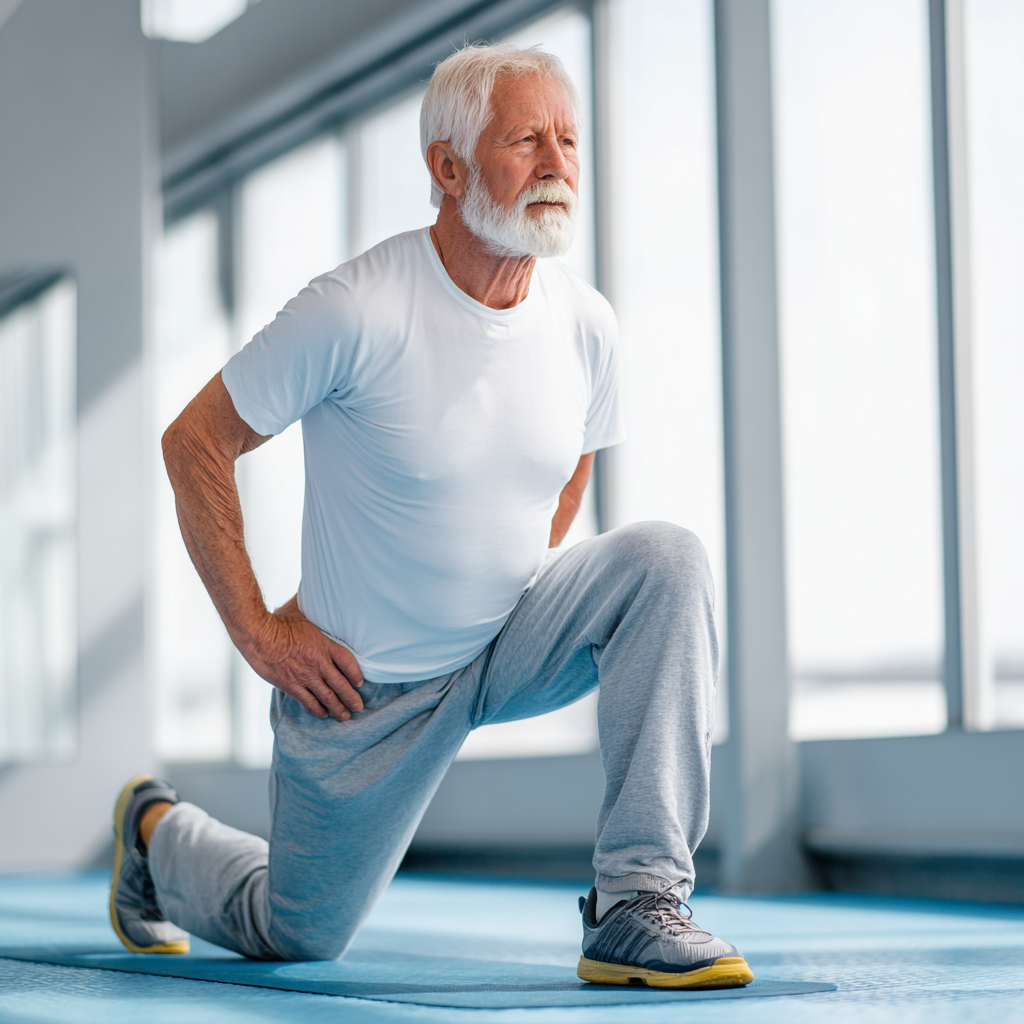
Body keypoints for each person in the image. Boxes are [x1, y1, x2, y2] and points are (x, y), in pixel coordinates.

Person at [109, 42, 753, 990]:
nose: (558, 163)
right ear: (447, 168)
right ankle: (156, 833)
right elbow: (193, 443)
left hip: (506, 640)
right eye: (526, 139)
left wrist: (495, 578)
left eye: (569, 140)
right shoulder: (356, 309)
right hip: (364, 692)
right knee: (295, 932)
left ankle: (636, 898)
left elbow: (568, 468)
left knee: (667, 561)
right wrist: (256, 633)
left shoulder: (587, 324)